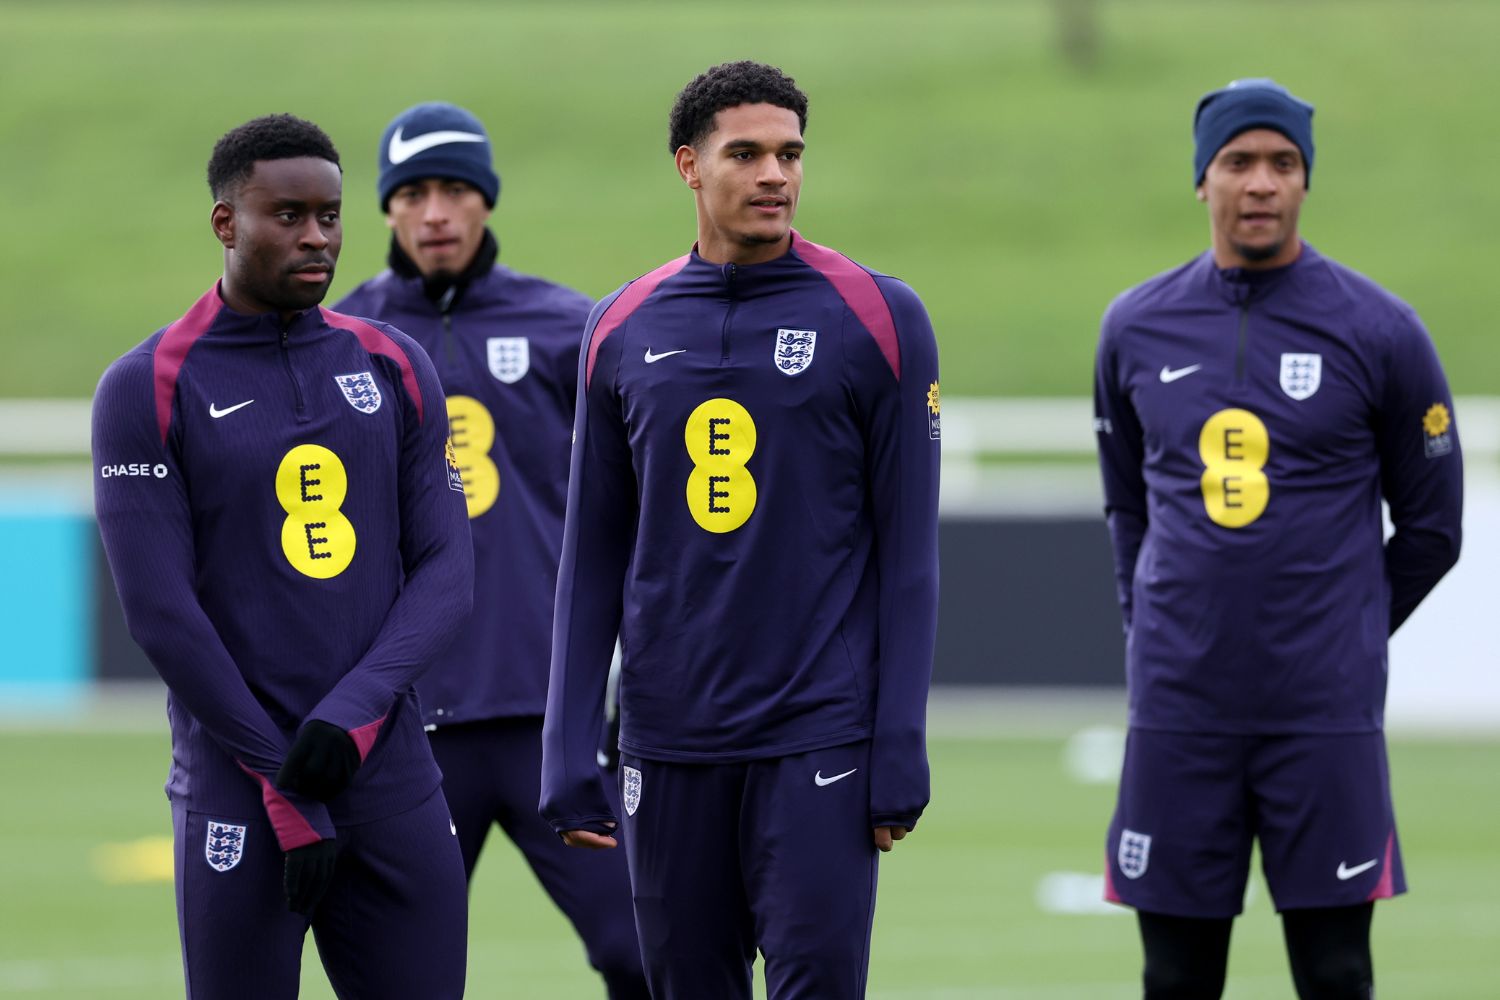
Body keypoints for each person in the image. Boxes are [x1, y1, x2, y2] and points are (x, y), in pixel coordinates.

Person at [540, 61, 941, 1000]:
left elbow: (910, 556)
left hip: (817, 734)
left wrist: (900, 741)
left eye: (791, 153)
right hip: (666, 739)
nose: (777, 175)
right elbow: (592, 553)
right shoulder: (620, 327)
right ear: (688, 164)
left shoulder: (879, 316)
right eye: (748, 153)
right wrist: (567, 743)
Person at [1093, 79, 1464, 999]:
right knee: (1175, 976)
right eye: (1238, 162)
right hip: (1180, 707)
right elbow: (1128, 508)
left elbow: (1433, 528)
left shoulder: (1381, 329)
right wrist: (1155, 632)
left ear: (1305, 180)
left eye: (1283, 163)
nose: (1261, 183)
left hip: (1321, 714)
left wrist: (1345, 628)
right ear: (1202, 178)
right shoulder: (1134, 326)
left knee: (1336, 972)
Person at [91, 114, 474, 999]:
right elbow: (160, 613)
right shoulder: (146, 384)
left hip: (389, 779)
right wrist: (280, 774)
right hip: (237, 789)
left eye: (331, 216)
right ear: (227, 223)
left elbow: (448, 574)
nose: (317, 238)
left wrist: (350, 719)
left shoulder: (396, 364)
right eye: (288, 215)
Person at [334, 101, 649, 999]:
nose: (436, 212)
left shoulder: (572, 329)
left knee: (643, 950)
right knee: (398, 975)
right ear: (387, 209)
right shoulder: (343, 342)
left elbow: (637, 516)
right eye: (415, 192)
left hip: (555, 721)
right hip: (410, 729)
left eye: (457, 189)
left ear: (487, 201)